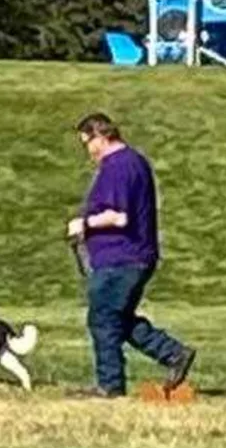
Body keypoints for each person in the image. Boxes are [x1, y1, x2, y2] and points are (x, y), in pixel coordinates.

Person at [65, 113, 196, 398]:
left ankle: (110, 386)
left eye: (87, 142)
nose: (88, 150)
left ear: (100, 136)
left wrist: (84, 224)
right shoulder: (133, 162)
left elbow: (119, 216)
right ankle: (174, 353)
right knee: (117, 318)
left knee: (102, 319)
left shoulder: (119, 166)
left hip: (121, 258)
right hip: (130, 256)